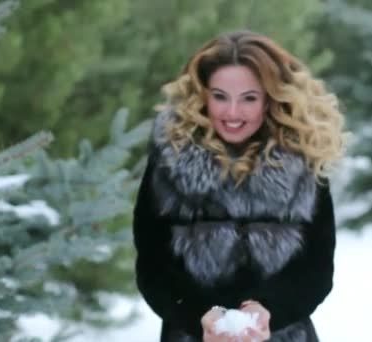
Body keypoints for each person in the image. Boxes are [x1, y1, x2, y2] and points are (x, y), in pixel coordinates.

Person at [133, 31, 346, 342]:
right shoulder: (171, 157)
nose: (232, 113)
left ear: (271, 98)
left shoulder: (303, 158)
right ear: (203, 95)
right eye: (220, 96)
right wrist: (199, 316)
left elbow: (315, 268)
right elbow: (153, 266)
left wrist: (269, 311)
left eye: (249, 98)